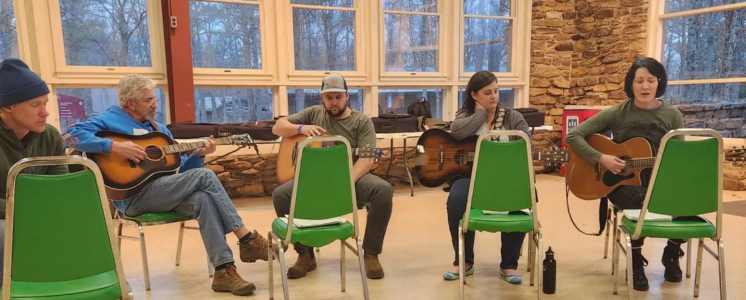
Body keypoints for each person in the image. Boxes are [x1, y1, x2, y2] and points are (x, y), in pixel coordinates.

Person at [63, 74, 281, 296]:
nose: (154, 103)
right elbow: (68, 136)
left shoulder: (160, 131)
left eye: (154, 98)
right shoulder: (110, 119)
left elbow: (183, 173)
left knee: (202, 198)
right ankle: (246, 238)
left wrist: (197, 154)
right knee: (204, 177)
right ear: (130, 103)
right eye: (148, 100)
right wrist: (113, 147)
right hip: (134, 198)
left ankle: (224, 270)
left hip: (164, 192)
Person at [565, 57, 685, 291]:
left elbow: (678, 159)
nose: (645, 86)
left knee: (687, 197)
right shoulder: (618, 112)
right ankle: (636, 260)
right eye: (639, 80)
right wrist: (601, 158)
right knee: (638, 200)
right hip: (621, 183)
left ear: (659, 83)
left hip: (658, 179)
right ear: (631, 84)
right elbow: (574, 136)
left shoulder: (673, 116)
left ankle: (671, 252)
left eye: (651, 80)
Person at [271, 73, 393, 279]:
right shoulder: (314, 113)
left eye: (338, 97)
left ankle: (371, 253)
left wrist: (341, 185)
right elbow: (278, 127)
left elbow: (366, 159)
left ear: (347, 96)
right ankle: (305, 254)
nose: (334, 102)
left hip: (349, 178)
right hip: (314, 178)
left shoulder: (361, 121)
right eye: (329, 98)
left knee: (382, 190)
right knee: (280, 195)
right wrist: (301, 128)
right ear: (322, 98)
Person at [442, 70, 533, 283]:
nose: (494, 96)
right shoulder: (465, 115)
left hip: (507, 178)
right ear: (474, 95)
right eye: (487, 92)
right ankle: (464, 260)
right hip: (470, 177)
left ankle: (509, 264)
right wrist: (481, 115)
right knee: (455, 199)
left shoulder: (513, 117)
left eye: (496, 91)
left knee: (522, 195)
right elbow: (456, 132)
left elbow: (528, 147)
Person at [0, 58, 68, 283]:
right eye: (35, 105)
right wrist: (27, 210)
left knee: (90, 231)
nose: (45, 113)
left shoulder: (50, 136)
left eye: (45, 103)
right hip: (6, 219)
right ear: (7, 106)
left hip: (39, 215)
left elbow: (61, 190)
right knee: (7, 237)